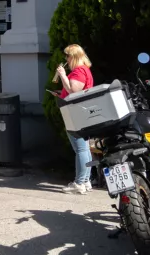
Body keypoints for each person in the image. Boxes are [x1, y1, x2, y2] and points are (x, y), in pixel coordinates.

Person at [55, 44, 95, 194]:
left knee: (81, 149)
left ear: (74, 56)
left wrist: (63, 75)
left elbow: (74, 91)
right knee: (84, 148)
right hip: (80, 112)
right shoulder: (85, 70)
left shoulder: (79, 71)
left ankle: (79, 183)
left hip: (75, 112)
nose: (66, 59)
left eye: (68, 56)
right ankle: (85, 181)